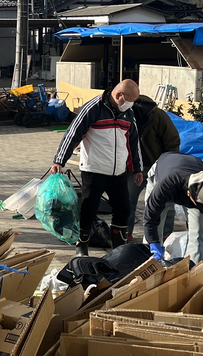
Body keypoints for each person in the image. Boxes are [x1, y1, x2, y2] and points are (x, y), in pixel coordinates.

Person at [51, 79, 144, 256]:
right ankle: (82, 246)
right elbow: (73, 134)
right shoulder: (93, 108)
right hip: (94, 170)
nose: (131, 105)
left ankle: (118, 249)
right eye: (130, 100)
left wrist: (137, 168)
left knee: (123, 209)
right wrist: (59, 161)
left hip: (118, 172)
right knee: (88, 209)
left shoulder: (128, 114)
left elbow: (133, 142)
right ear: (119, 96)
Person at [143, 151, 203, 276]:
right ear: (189, 195)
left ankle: (194, 275)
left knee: (198, 231)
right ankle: (148, 275)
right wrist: (153, 245)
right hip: (163, 170)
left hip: (192, 171)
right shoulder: (165, 186)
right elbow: (149, 220)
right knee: (154, 232)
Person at [126, 94, 182, 241]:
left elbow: (173, 141)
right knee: (127, 201)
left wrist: (169, 166)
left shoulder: (158, 116)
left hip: (158, 166)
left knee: (165, 203)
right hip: (134, 168)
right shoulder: (125, 115)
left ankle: (165, 237)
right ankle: (125, 236)